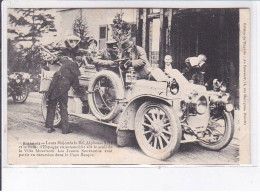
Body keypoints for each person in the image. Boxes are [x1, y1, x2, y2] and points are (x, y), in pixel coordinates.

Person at [45, 35, 84, 134]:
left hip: (54, 84)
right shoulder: (74, 65)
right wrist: (80, 91)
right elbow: (76, 82)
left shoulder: (66, 62)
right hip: (63, 87)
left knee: (52, 105)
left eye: (75, 42)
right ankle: (65, 129)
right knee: (63, 107)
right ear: (79, 62)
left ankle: (49, 128)